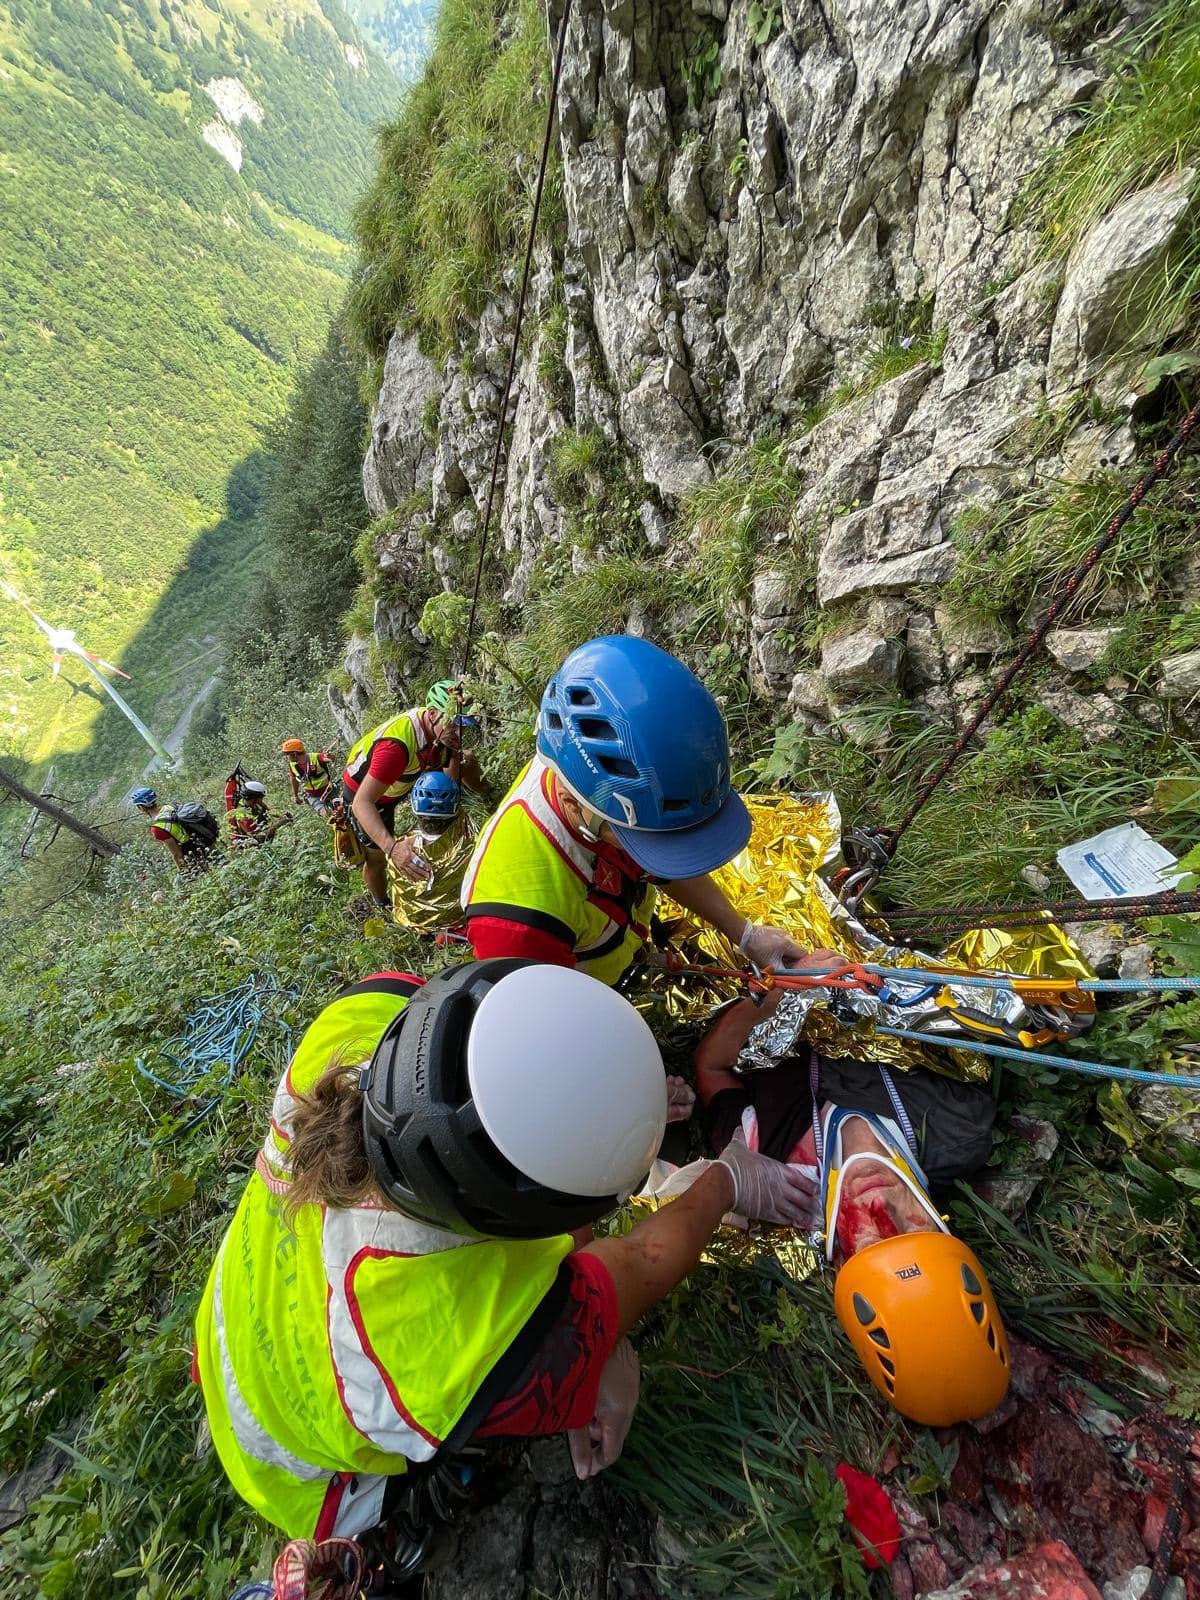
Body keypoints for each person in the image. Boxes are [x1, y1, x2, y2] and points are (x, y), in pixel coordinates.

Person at [193, 960, 811, 1568]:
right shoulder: (448, 1336)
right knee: (473, 1432)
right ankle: (392, 1522)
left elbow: (522, 1093)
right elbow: (641, 1262)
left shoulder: (368, 1016)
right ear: (508, 1212)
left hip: (232, 1315)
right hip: (290, 1458)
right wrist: (726, 1182)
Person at [691, 990, 1011, 1426]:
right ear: (943, 1229)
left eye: (873, 1244)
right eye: (910, 1231)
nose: (879, 1205)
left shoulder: (769, 1165)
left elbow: (710, 1065)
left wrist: (780, 992)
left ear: (840, 1263)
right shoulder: (958, 1128)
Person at [461, 636, 815, 986]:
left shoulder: (603, 785)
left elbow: (669, 849)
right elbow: (563, 1019)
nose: (658, 849)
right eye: (641, 839)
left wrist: (746, 934)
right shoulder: (515, 924)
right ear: (572, 803)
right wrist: (759, 1007)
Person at [342, 681, 484, 910]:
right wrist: (392, 849)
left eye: (463, 725)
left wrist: (455, 801)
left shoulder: (441, 730)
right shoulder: (394, 749)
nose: (459, 733)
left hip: (402, 777)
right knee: (377, 858)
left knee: (466, 758)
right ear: (432, 714)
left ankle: (489, 796)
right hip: (369, 795)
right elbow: (362, 803)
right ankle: (382, 904)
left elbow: (452, 771)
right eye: (453, 725)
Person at [386, 771, 476, 936]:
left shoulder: (400, 854)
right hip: (458, 922)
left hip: (412, 925)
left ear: (415, 807)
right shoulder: (470, 842)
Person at [131, 786, 218, 875]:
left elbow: (177, 854)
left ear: (141, 807)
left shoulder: (157, 828)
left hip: (195, 854)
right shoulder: (169, 807)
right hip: (205, 841)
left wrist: (183, 873)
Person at [227, 780, 291, 850]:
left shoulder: (251, 801)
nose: (262, 800)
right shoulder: (243, 816)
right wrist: (278, 824)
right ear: (253, 799)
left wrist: (281, 815)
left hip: (261, 828)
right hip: (252, 844)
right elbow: (258, 838)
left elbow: (268, 810)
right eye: (261, 798)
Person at [280, 738, 337, 814]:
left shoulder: (316, 757)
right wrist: (295, 796)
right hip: (313, 796)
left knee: (340, 811)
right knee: (326, 814)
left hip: (329, 791)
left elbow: (329, 758)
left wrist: (330, 757)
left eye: (287, 754)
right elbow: (293, 778)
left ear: (294, 754)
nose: (286, 757)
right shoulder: (292, 765)